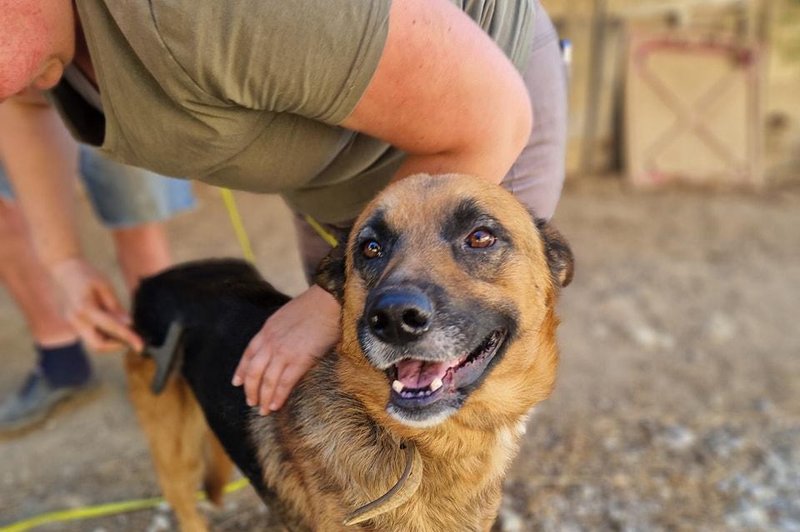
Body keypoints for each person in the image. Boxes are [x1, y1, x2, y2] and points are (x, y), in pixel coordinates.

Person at [0, 0, 567, 416]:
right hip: (338, 175)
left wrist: (330, 295)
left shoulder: (201, 15)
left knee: (472, 387)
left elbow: (488, 117)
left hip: (477, 113)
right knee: (374, 386)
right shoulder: (29, 43)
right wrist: (64, 261)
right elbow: (24, 103)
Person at [0, 93, 195, 432]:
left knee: (136, 208)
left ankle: (165, 363)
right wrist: (65, 263)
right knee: (4, 204)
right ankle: (61, 362)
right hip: (12, 92)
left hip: (99, 61)